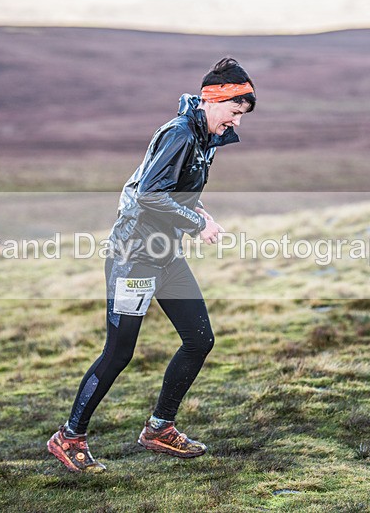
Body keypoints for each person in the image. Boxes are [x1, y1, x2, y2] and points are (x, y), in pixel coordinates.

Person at [47, 57, 256, 472]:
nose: (236, 122)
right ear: (214, 101)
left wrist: (202, 213)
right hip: (134, 259)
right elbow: (148, 195)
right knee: (119, 352)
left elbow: (176, 190)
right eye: (235, 112)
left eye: (241, 116)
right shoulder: (180, 134)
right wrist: (198, 225)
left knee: (199, 340)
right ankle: (69, 438)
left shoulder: (202, 137)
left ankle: (159, 429)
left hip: (165, 255)